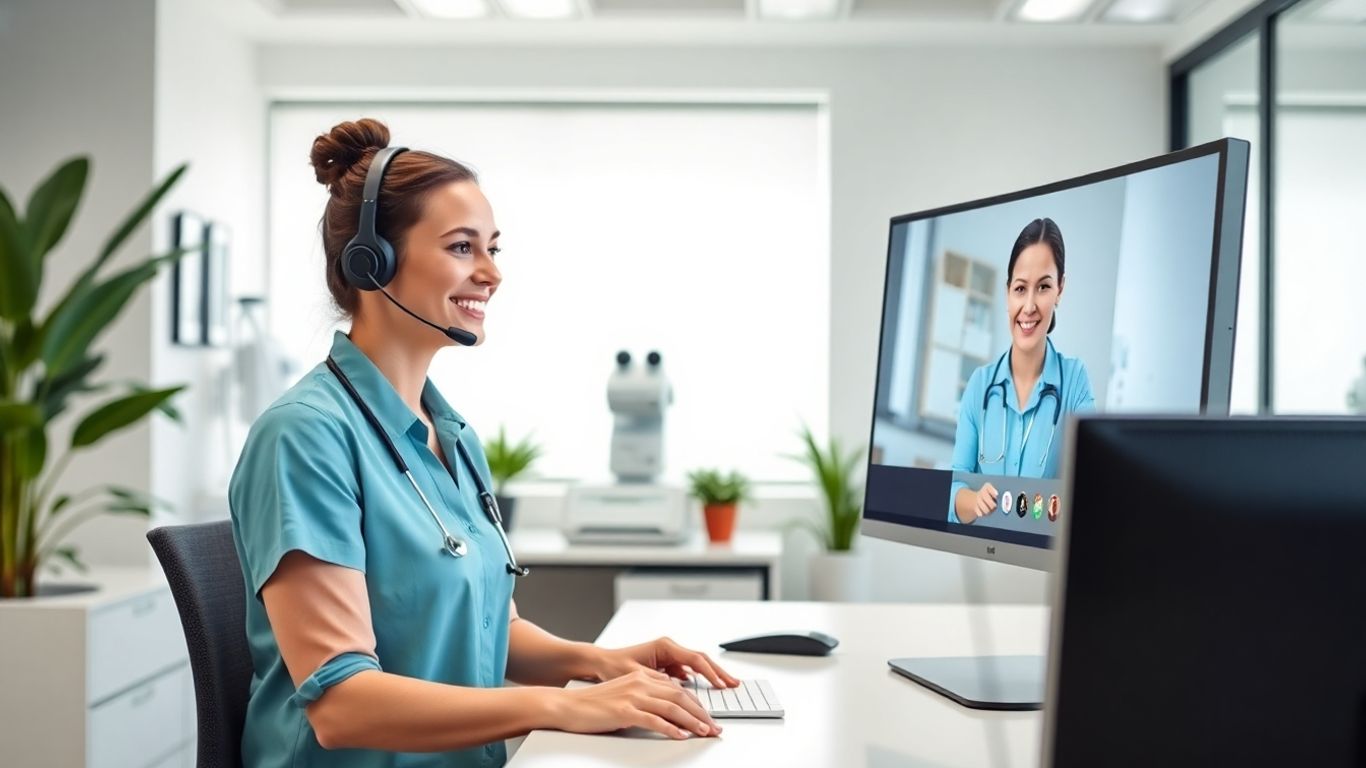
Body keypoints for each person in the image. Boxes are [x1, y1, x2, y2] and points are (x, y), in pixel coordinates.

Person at [229, 118, 739, 768]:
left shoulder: (453, 437)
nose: (492, 273)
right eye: (462, 247)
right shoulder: (306, 437)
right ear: (371, 262)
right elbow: (341, 704)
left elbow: (492, 631)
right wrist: (562, 706)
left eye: (493, 249)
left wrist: (604, 664)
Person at [949, 217, 1095, 524]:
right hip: (983, 546)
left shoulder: (1074, 381)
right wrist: (975, 500)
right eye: (1020, 288)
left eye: (1043, 287)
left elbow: (1089, 487)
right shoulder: (980, 385)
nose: (1029, 306)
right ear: (1007, 293)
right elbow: (954, 490)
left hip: (1039, 552)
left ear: (1060, 289)